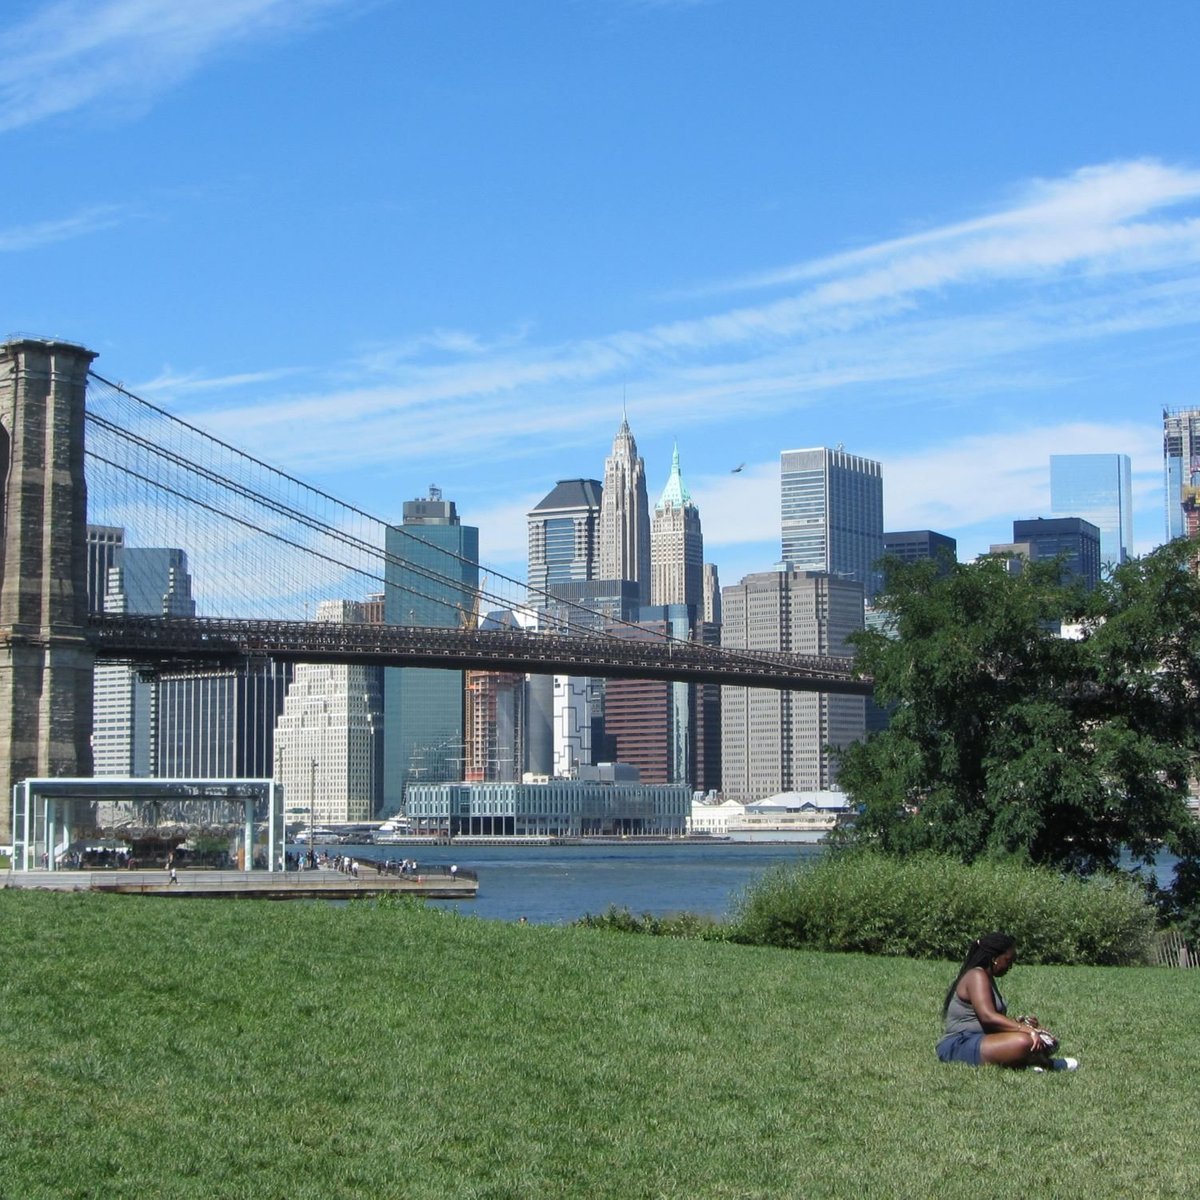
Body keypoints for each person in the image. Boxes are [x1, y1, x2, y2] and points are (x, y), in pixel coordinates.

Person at [936, 932, 1078, 1071]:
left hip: (983, 1038)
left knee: (1045, 1038)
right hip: (960, 1043)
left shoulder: (987, 977)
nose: (1010, 966)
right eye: (1008, 960)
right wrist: (1025, 1030)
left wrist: (1020, 1023)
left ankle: (1027, 1063)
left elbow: (991, 1021)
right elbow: (987, 1017)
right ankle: (1047, 1065)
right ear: (994, 958)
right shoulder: (976, 975)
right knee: (1025, 1041)